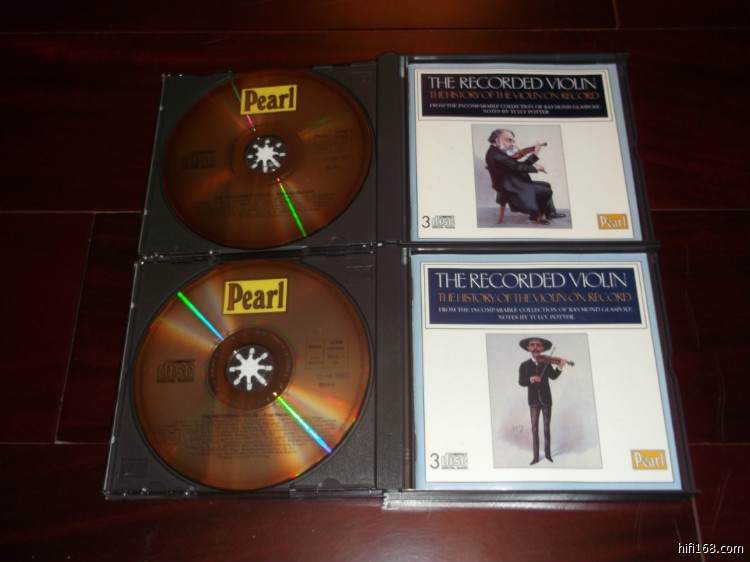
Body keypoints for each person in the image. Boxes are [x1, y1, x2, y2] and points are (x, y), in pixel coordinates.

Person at [485, 129, 566, 225]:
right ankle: (535, 216)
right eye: (509, 140)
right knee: (546, 190)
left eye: (513, 141)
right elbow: (518, 167)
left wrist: (535, 153)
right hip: (512, 186)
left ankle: (551, 213)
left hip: (513, 181)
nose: (513, 144)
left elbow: (518, 166)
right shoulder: (497, 155)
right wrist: (536, 168)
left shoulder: (497, 152)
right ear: (497, 140)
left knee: (546, 185)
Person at [517, 337, 567, 464]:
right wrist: (531, 379)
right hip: (533, 401)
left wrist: (560, 367)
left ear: (542, 348)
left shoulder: (546, 362)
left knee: (546, 427)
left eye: (538, 345)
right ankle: (535, 457)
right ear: (528, 348)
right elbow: (521, 381)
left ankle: (548, 454)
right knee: (534, 428)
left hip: (546, 399)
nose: (535, 348)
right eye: (532, 345)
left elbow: (553, 376)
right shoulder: (524, 365)